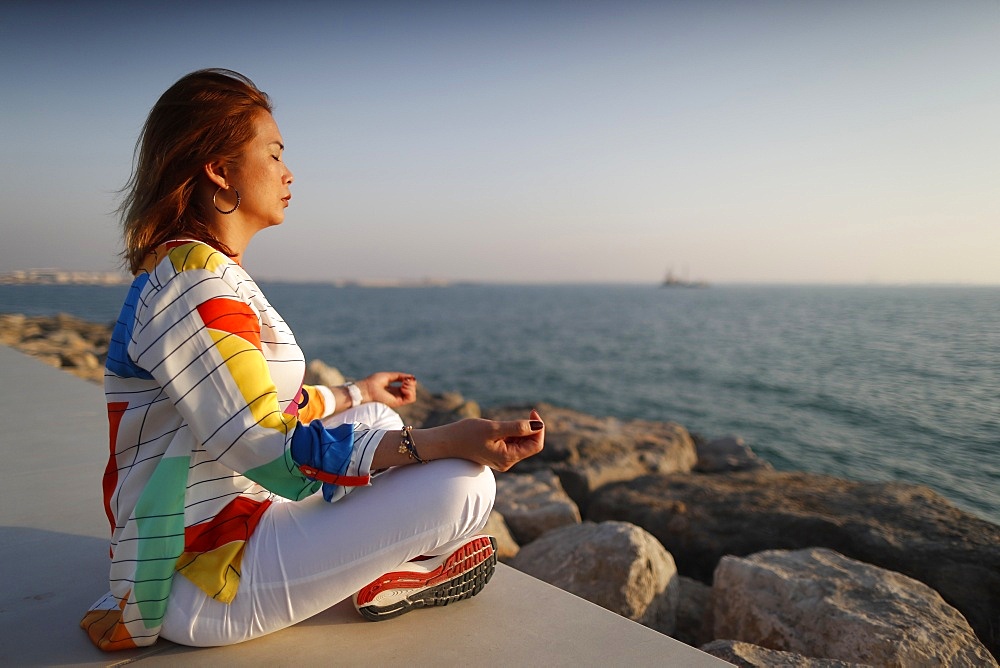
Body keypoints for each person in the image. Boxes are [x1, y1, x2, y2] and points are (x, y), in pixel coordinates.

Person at [80, 68, 544, 651]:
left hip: (235, 515)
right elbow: (263, 445)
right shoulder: (193, 286)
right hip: (201, 574)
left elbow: (270, 405)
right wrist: (443, 441)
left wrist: (360, 393)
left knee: (377, 422)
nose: (288, 171)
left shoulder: (204, 270)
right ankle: (404, 567)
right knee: (463, 486)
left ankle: (389, 565)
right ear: (219, 171)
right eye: (272, 153)